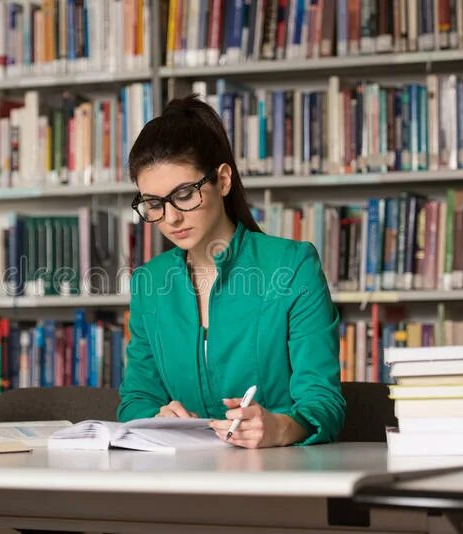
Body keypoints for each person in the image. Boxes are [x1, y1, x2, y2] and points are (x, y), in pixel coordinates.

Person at [117, 95, 346, 448]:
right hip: (182, 477)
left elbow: (323, 402)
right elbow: (135, 398)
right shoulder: (150, 283)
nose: (171, 217)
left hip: (277, 475)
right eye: (153, 203)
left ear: (223, 180)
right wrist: (156, 417)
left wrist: (280, 427)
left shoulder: (292, 266)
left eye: (184, 194)